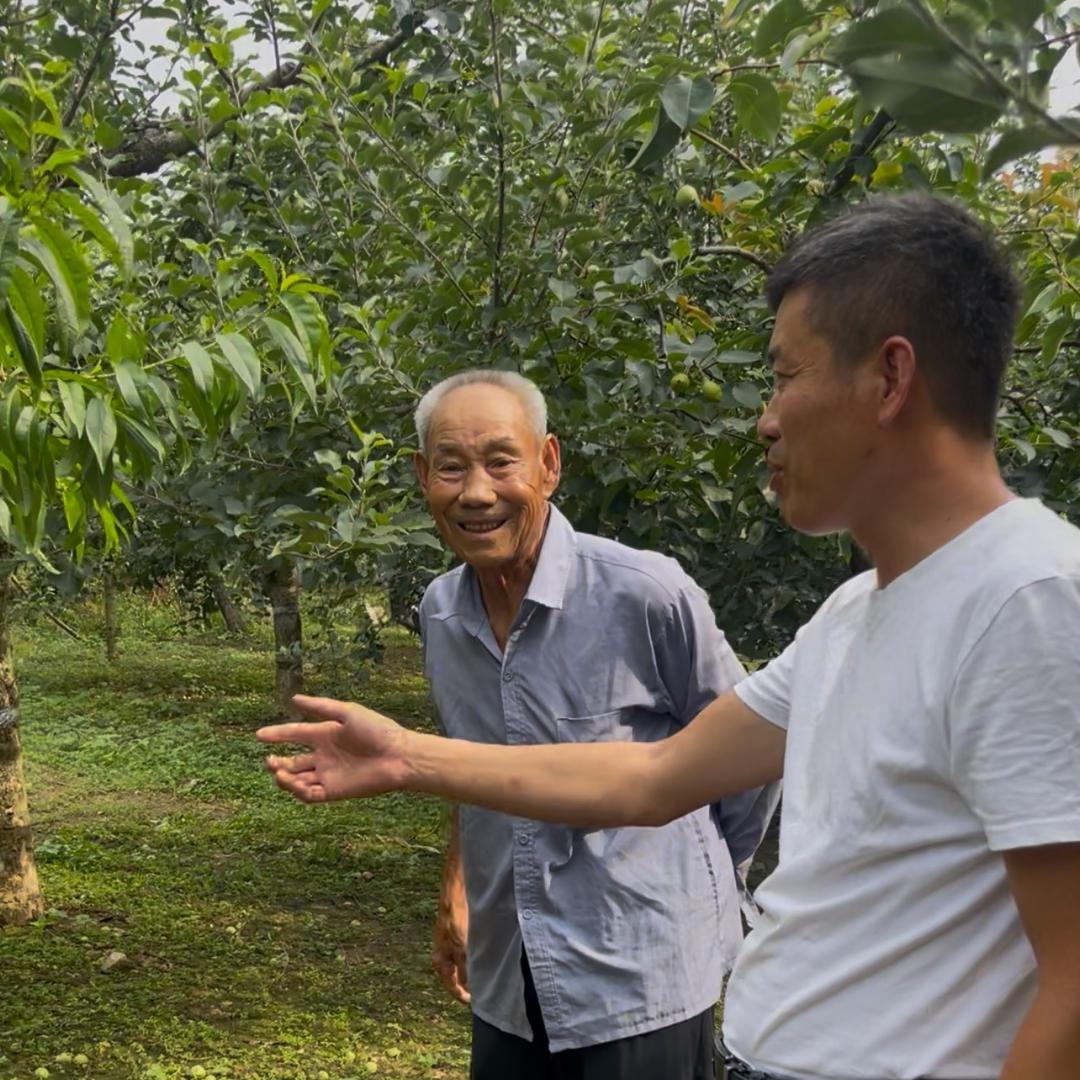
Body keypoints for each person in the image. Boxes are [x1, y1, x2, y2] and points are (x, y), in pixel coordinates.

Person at [259, 194, 1080, 1080]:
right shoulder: (857, 613)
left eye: (784, 375)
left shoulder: (1028, 597)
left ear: (889, 379)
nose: (766, 417)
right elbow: (655, 775)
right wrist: (409, 759)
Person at [379, 369, 776, 1079]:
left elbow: (744, 762)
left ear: (548, 464)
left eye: (501, 461)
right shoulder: (441, 613)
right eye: (451, 467)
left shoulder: (646, 595)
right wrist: (458, 885)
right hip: (508, 971)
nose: (476, 492)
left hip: (638, 971)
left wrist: (701, 880)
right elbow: (474, 769)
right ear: (421, 477)